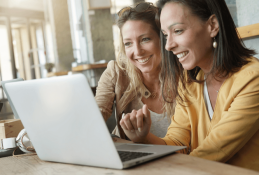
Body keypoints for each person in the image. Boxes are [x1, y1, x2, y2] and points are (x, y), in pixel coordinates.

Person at [119, 0, 259, 171]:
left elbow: (213, 152)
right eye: (165, 34)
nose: (169, 45)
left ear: (213, 25)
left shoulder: (253, 80)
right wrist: (144, 137)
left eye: (177, 31)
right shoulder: (189, 82)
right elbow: (177, 144)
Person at [95, 2, 174, 140]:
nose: (137, 52)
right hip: (134, 159)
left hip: (179, 159)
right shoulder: (116, 72)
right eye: (128, 43)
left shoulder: (184, 74)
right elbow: (96, 114)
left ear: (162, 38)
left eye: (145, 39)